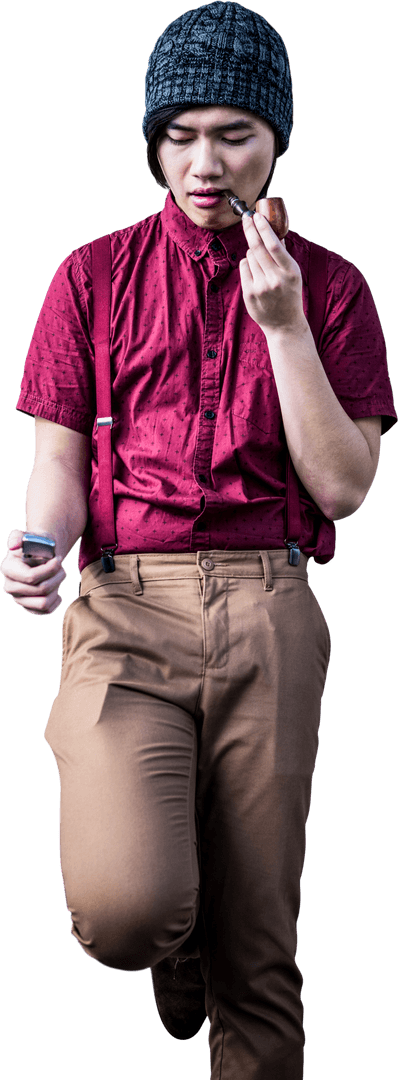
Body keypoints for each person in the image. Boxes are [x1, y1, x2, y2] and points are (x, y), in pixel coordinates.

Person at [1, 3, 396, 1077]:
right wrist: (36, 546)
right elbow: (58, 468)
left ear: (276, 137)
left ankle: (218, 940)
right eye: (179, 134)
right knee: (129, 909)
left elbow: (345, 487)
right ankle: (177, 936)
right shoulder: (88, 277)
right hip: (125, 607)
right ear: (150, 141)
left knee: (262, 953)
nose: (204, 161)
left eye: (233, 133)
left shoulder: (336, 288)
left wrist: (283, 327)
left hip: (270, 604)